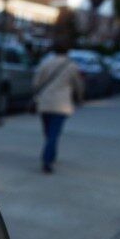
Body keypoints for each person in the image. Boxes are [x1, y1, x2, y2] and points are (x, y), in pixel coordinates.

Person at [32, 41, 84, 173]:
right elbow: (78, 84)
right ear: (68, 51)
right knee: (54, 133)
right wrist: (79, 98)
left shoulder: (46, 63)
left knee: (48, 132)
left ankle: (50, 155)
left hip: (45, 103)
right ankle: (47, 160)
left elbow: (36, 82)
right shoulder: (72, 66)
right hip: (62, 104)